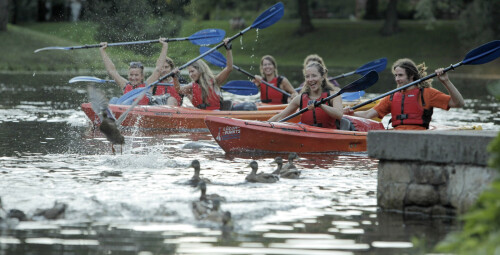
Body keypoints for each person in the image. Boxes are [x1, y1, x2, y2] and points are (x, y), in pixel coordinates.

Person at [344, 58, 465, 130]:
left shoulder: (427, 94)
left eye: (400, 75)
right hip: (397, 136)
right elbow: (367, 114)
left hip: (418, 136)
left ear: (411, 76)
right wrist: (350, 113)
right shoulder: (392, 96)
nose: (397, 79)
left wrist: (446, 81)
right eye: (396, 75)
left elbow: (459, 103)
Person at [268, 62, 343, 129]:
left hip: (329, 138)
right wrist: (262, 124)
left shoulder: (333, 95)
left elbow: (339, 115)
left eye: (314, 76)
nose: (310, 79)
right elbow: (281, 116)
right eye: (307, 76)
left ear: (322, 77)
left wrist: (321, 105)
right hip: (307, 139)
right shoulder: (300, 98)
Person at [99, 38, 171, 105]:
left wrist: (165, 46)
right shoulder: (125, 85)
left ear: (142, 76)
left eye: (136, 75)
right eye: (131, 75)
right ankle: (109, 116)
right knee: (114, 99)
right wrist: (102, 51)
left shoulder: (148, 85)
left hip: (139, 112)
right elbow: (112, 71)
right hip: (124, 110)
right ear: (128, 75)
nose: (133, 78)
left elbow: (158, 69)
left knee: (127, 101)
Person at [174, 39, 233, 110]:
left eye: (192, 71)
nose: (190, 74)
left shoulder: (215, 81)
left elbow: (229, 68)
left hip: (215, 114)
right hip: (200, 114)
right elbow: (179, 90)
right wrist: (175, 77)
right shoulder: (191, 86)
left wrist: (228, 49)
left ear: (200, 70)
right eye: (189, 72)